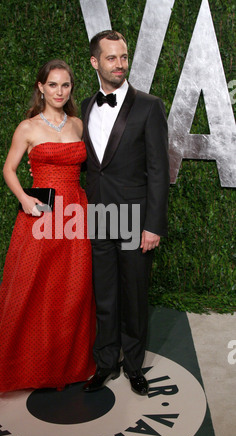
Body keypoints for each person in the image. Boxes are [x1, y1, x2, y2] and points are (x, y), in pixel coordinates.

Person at [0, 59, 96, 393]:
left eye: (65, 85)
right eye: (53, 85)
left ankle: (66, 363)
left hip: (76, 213)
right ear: (41, 87)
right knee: (31, 287)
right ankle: (22, 361)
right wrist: (23, 198)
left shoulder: (78, 125)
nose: (60, 91)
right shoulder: (28, 127)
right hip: (41, 214)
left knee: (73, 289)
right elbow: (8, 168)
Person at [81, 31, 170, 395]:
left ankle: (134, 366)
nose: (120, 64)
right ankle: (105, 363)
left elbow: (159, 170)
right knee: (105, 293)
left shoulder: (149, 106)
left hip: (136, 220)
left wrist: (153, 225)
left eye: (124, 57)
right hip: (99, 215)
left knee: (134, 295)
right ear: (95, 62)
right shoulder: (86, 105)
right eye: (112, 58)